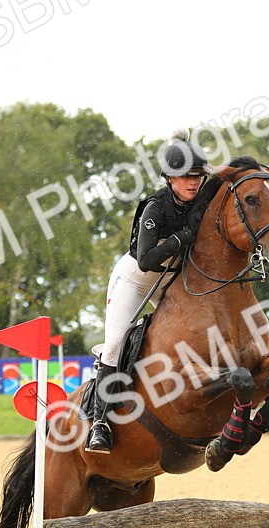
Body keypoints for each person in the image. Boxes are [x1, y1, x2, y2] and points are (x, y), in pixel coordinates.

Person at [86, 130, 212, 454]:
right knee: (115, 343)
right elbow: (145, 261)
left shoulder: (201, 198)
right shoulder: (155, 208)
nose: (194, 182)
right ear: (170, 178)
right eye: (186, 177)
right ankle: (100, 424)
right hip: (135, 279)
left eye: (197, 176)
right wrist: (179, 240)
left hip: (170, 280)